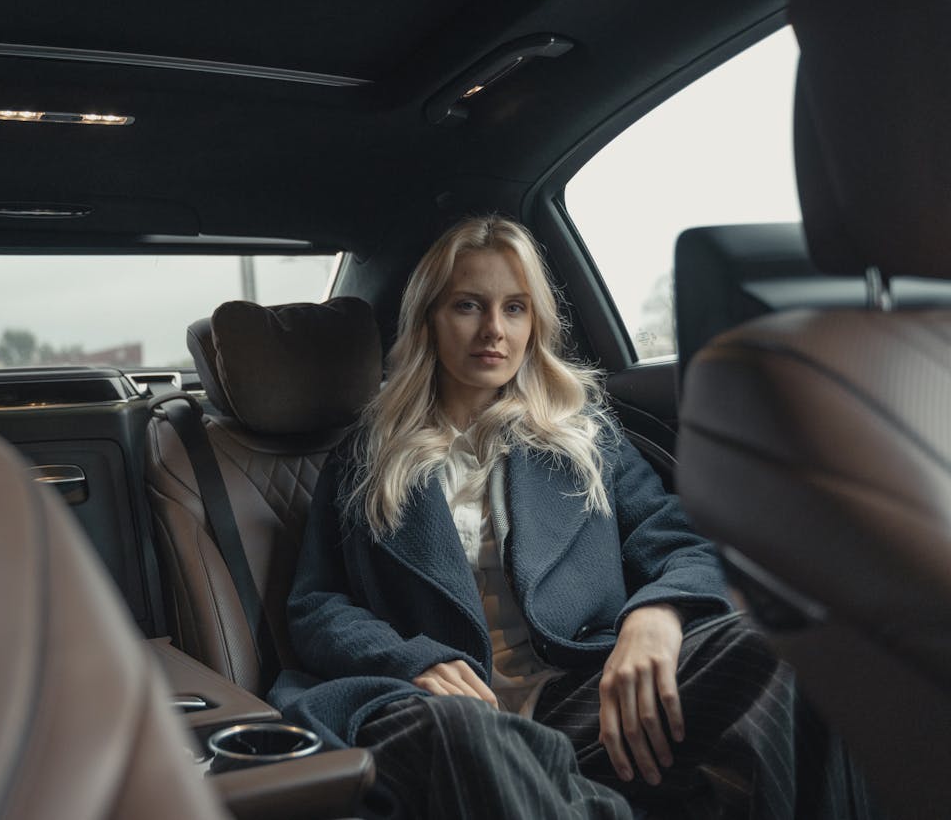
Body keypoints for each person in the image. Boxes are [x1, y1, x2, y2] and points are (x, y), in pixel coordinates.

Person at [268, 215, 876, 819]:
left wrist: (656, 615)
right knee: (470, 736)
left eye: (514, 309)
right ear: (429, 317)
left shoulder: (584, 437)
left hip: (580, 695)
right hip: (440, 706)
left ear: (535, 323)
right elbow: (317, 605)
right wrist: (410, 661)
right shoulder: (367, 454)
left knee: (788, 642)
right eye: (467, 306)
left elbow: (684, 546)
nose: (493, 331)